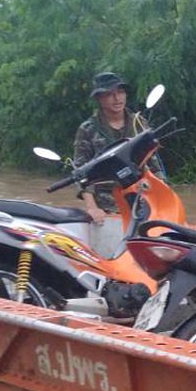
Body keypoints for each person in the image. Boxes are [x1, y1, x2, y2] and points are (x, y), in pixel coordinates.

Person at [73, 71, 161, 256]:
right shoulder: (87, 129)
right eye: (110, 94)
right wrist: (91, 207)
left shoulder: (139, 123)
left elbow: (154, 166)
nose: (117, 98)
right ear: (99, 98)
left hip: (140, 200)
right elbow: (81, 174)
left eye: (120, 92)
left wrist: (162, 200)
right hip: (106, 206)